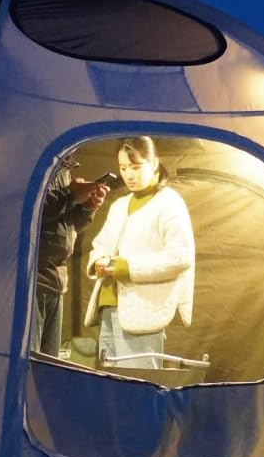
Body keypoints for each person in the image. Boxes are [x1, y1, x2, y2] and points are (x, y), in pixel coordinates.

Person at [84, 136, 196, 368]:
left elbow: (180, 257)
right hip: (108, 308)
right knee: (110, 385)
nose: (128, 175)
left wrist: (127, 268)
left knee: (139, 383)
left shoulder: (169, 202)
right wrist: (99, 261)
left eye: (135, 167)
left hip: (143, 312)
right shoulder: (119, 205)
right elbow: (101, 244)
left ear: (154, 164)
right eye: (123, 167)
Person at [33, 168, 111, 356]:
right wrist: (70, 194)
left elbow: (65, 225)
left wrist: (86, 207)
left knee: (48, 362)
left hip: (56, 282)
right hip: (33, 281)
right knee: (30, 360)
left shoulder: (64, 169)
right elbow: (29, 212)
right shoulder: (35, 165)